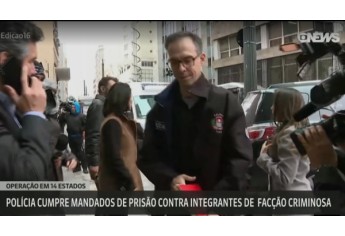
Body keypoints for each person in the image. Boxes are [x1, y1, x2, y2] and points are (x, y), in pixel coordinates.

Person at [137, 31, 252, 191]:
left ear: (202, 59)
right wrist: (170, 179)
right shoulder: (160, 108)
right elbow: (147, 157)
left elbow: (240, 160)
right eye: (174, 62)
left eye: (187, 60)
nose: (181, 68)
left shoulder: (224, 102)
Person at [0, 21, 55, 180]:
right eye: (31, 61)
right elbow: (28, 179)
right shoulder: (27, 110)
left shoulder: (13, 104)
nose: (34, 71)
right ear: (5, 61)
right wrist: (34, 114)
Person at [257, 88, 312, 191]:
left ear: (283, 108)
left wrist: (263, 158)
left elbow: (285, 179)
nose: (271, 108)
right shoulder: (295, 130)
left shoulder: (289, 135)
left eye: (275, 105)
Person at [98, 82, 143, 193]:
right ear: (122, 99)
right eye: (129, 97)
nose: (131, 101)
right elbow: (113, 157)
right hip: (117, 187)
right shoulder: (113, 123)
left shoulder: (120, 121)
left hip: (121, 184)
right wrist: (128, 181)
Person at [85, 76, 117, 183]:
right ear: (103, 89)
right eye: (112, 87)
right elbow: (94, 135)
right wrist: (94, 163)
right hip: (102, 162)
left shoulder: (105, 105)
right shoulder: (98, 105)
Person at [59, 100, 88, 173]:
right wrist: (62, 112)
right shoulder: (68, 115)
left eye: (74, 107)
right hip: (71, 137)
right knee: (73, 153)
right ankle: (76, 168)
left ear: (77, 108)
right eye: (72, 107)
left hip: (79, 137)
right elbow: (61, 120)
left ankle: (85, 168)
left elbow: (86, 125)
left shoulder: (81, 116)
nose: (72, 108)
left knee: (81, 153)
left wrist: (84, 131)